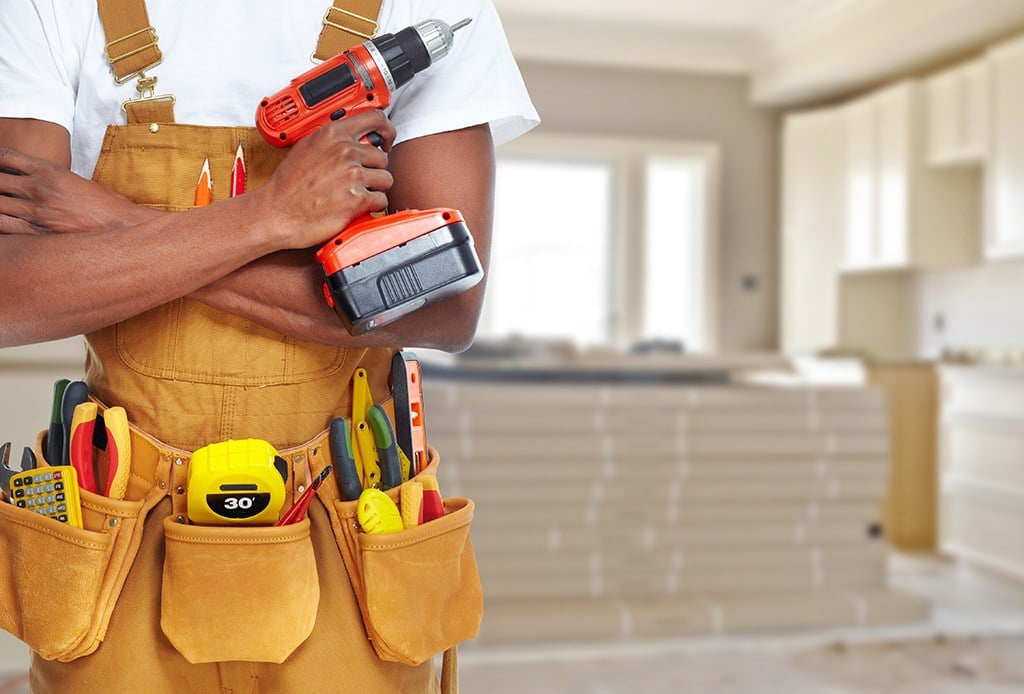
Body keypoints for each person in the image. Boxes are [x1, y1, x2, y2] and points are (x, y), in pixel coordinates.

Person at [0, 0, 538, 691]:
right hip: (122, 537)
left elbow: (444, 305)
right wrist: (266, 218)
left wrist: (115, 224)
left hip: (347, 520)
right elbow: (12, 295)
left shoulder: (429, 7)